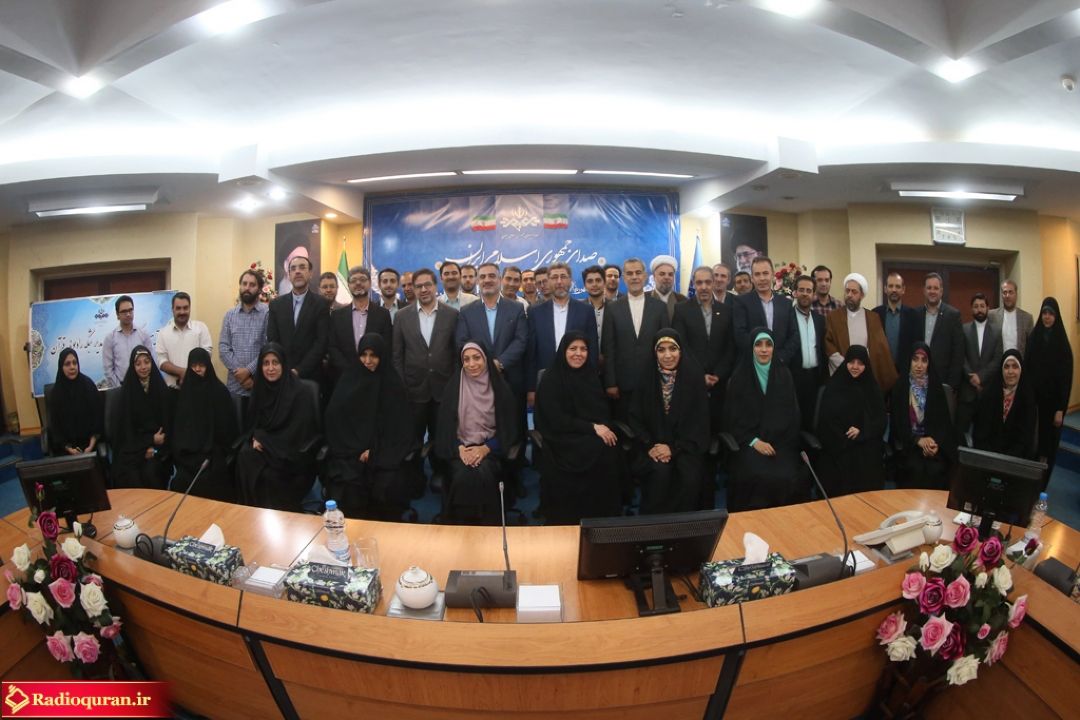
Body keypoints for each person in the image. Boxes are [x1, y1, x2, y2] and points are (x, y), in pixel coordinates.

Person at [323, 334, 415, 520]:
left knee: (386, 486)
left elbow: (398, 428)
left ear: (382, 356)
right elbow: (335, 419)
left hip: (382, 452)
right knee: (347, 484)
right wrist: (355, 449)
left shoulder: (392, 385)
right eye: (363, 355)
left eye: (373, 355)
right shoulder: (349, 379)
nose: (367, 361)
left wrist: (373, 450)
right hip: (350, 452)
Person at [534, 332, 621, 524]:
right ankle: (569, 517)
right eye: (573, 349)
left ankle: (601, 517)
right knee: (590, 447)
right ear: (563, 351)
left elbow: (602, 412)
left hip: (586, 432)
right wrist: (592, 427)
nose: (578, 353)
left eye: (583, 349)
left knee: (608, 446)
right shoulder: (551, 378)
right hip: (560, 437)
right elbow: (556, 419)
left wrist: (602, 427)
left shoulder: (591, 376)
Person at [435, 342, 521, 525]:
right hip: (459, 450)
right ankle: (460, 527)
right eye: (466, 359)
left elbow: (509, 429)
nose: (471, 364)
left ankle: (488, 527)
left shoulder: (500, 389)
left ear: (486, 359)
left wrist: (485, 449)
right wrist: (459, 448)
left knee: (483, 473)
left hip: (491, 449)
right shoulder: (453, 388)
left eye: (476, 358)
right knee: (462, 475)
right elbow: (444, 428)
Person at [393, 268, 459, 495]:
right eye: (418, 286)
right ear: (413, 288)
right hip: (413, 390)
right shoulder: (402, 316)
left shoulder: (452, 315)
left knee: (442, 437)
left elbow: (456, 353)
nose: (423, 289)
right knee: (413, 439)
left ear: (435, 285)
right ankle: (415, 477)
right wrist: (402, 387)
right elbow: (397, 356)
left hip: (444, 389)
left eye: (427, 285)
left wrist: (454, 386)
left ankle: (440, 476)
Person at [723, 328, 805, 511]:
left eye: (768, 345)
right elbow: (732, 419)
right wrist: (754, 441)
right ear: (751, 348)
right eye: (758, 345)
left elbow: (793, 415)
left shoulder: (784, 375)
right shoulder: (739, 378)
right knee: (757, 475)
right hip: (749, 443)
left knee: (789, 475)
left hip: (781, 444)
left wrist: (778, 441)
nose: (764, 349)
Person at [629, 330, 709, 514]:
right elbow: (635, 418)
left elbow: (699, 422)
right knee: (660, 473)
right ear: (654, 353)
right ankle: (654, 526)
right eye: (661, 350)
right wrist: (651, 445)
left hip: (685, 447)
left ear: (681, 351)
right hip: (652, 447)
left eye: (673, 349)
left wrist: (673, 448)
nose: (667, 355)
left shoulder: (694, 378)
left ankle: (686, 527)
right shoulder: (645, 377)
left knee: (688, 476)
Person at [235, 344, 320, 511]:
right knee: (244, 457)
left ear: (283, 364)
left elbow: (298, 432)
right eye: (266, 363)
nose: (270, 368)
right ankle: (248, 514)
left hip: (291, 453)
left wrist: (264, 440)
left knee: (269, 476)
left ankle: (279, 520)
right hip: (268, 447)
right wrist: (255, 436)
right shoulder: (260, 389)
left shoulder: (300, 391)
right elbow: (253, 424)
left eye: (275, 362)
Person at [601, 258, 667, 419]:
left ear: (645, 276)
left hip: (653, 382)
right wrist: (610, 383)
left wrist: (665, 379)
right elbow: (608, 348)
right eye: (630, 274)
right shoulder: (612, 308)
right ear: (624, 278)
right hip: (622, 385)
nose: (634, 277)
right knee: (624, 428)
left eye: (638, 273)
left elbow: (665, 346)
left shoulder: (659, 307)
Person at [171, 347, 239, 502]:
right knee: (181, 481)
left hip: (213, 454)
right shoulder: (185, 393)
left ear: (208, 366)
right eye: (193, 365)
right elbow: (179, 430)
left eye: (201, 365)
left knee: (212, 480)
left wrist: (213, 449)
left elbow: (228, 429)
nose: (197, 369)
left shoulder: (219, 391)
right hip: (188, 454)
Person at [673, 267, 735, 435]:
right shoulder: (681, 309)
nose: (704, 287)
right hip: (691, 382)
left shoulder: (727, 311)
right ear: (694, 284)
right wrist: (699, 375)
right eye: (699, 283)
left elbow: (730, 347)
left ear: (714, 283)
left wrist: (718, 374)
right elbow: (681, 346)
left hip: (719, 383)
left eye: (708, 282)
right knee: (695, 429)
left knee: (719, 428)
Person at [817, 345, 886, 496]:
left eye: (860, 363)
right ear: (846, 362)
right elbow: (826, 420)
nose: (855, 367)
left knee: (868, 461)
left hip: (865, 440)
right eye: (851, 362)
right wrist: (845, 437)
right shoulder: (834, 386)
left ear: (866, 365)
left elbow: (880, 420)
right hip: (839, 443)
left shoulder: (872, 387)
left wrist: (862, 431)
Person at [526, 262, 599, 405]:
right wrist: (531, 388)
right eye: (554, 277)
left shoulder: (586, 310)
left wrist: (590, 381)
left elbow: (592, 349)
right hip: (546, 381)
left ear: (570, 281)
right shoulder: (535, 312)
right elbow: (531, 353)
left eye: (563, 277)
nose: (559, 282)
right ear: (548, 281)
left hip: (579, 380)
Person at [889, 343, 958, 489]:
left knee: (936, 469)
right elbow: (897, 425)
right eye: (915, 359)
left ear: (929, 364)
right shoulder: (900, 387)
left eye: (924, 360)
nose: (919, 365)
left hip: (932, 442)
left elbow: (943, 424)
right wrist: (917, 440)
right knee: (914, 469)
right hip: (909, 444)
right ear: (909, 361)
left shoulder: (935, 388)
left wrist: (934, 444)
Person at [456, 263, 528, 400]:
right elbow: (462, 342)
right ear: (478, 281)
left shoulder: (517, 308)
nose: (487, 280)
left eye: (491, 276)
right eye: (483, 277)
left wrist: (499, 363)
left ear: (499, 279)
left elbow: (521, 340)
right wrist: (482, 363)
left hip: (511, 381)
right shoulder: (466, 312)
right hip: (478, 381)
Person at [823, 272, 898, 393]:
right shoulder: (834, 317)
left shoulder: (873, 317)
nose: (849, 295)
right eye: (847, 291)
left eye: (854, 292)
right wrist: (845, 364)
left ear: (862, 295)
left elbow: (879, 347)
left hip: (865, 373)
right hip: (842, 373)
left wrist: (863, 364)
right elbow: (828, 343)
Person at [1025, 297, 1074, 478]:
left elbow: (1066, 379)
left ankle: (1042, 483)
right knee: (1032, 443)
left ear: (1056, 316)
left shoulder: (1062, 343)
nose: (1047, 317)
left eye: (1051, 314)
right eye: (1044, 313)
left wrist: (1061, 409)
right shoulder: (1033, 338)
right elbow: (1027, 370)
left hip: (1053, 406)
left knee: (1048, 446)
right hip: (1034, 403)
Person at [111, 346, 172, 489]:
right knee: (132, 477)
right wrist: (147, 444)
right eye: (138, 364)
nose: (143, 367)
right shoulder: (127, 393)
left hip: (158, 449)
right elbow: (125, 433)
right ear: (133, 367)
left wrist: (155, 447)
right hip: (133, 451)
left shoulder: (161, 389)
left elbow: (168, 426)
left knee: (152, 472)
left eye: (147, 362)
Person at [266, 254, 330, 381]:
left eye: (302, 267)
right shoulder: (276, 305)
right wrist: (284, 368)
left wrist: (299, 370)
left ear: (310, 273)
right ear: (289, 275)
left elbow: (321, 342)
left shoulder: (321, 304)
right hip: (282, 374)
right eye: (293, 268)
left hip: (311, 376)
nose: (298, 271)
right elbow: (273, 339)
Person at [219, 268, 269, 427]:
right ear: (240, 286)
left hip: (258, 385)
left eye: (252, 285)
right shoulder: (230, 315)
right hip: (235, 386)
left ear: (259, 289)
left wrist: (249, 372)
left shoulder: (268, 313)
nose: (247, 288)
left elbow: (268, 348)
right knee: (235, 430)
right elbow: (223, 348)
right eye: (244, 284)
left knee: (258, 430)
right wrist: (240, 374)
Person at [733, 256, 798, 366]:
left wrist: (781, 357)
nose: (762, 278)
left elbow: (794, 335)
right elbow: (740, 335)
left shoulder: (786, 303)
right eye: (757, 274)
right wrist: (761, 356)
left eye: (765, 273)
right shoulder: (741, 302)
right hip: (752, 364)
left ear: (772, 275)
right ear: (752, 278)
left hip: (780, 364)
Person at [328, 266, 393, 376]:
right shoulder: (337, 316)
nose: (358, 283)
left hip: (375, 375)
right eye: (353, 280)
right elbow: (333, 347)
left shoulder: (383, 314)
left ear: (370, 283)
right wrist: (349, 370)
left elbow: (387, 347)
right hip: (344, 376)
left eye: (362, 279)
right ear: (348, 285)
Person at [972, 350, 1037, 460]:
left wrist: (1007, 460)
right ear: (1001, 370)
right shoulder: (989, 395)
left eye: (1015, 367)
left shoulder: (1028, 399)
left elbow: (1025, 439)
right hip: (987, 457)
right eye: (1006, 367)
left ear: (1021, 370)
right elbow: (980, 432)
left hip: (1015, 460)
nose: (1010, 371)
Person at [958, 293, 1003, 437]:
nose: (979, 310)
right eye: (976, 306)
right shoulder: (964, 329)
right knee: (961, 434)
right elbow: (960, 356)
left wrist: (980, 377)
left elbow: (997, 359)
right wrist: (971, 376)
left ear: (988, 308)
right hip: (967, 392)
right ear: (972, 309)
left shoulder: (997, 331)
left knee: (984, 435)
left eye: (982, 306)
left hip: (987, 391)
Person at [47, 348, 102, 457]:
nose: (72, 367)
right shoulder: (56, 393)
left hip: (90, 447)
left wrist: (90, 446)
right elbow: (56, 427)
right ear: (61, 367)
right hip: (65, 450)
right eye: (67, 364)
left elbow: (98, 420)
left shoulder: (88, 386)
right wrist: (69, 449)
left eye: (74, 363)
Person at [790, 275, 827, 432]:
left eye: (808, 290)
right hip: (793, 378)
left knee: (813, 419)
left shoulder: (820, 320)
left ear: (814, 294)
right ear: (795, 293)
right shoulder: (787, 317)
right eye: (801, 290)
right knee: (794, 419)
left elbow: (822, 350)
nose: (805, 294)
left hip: (815, 378)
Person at [916, 273, 964, 392]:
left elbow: (958, 353)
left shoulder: (953, 315)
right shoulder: (915, 314)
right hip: (918, 378)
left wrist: (952, 385)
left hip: (943, 381)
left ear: (941, 291)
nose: (932, 291)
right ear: (924, 290)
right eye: (929, 288)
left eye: (935, 288)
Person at [155, 292, 212, 388]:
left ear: (190, 308)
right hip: (172, 390)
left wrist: (190, 375)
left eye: (185, 308)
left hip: (198, 388)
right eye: (178, 308)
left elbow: (207, 355)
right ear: (172, 309)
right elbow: (161, 362)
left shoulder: (201, 328)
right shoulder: (163, 333)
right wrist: (182, 372)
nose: (182, 312)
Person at [872, 271, 920, 374]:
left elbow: (916, 346)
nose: (894, 289)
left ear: (903, 290)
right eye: (891, 286)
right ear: (885, 289)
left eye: (898, 286)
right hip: (881, 373)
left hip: (905, 373)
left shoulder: (913, 316)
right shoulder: (875, 314)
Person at [102, 295, 152, 388]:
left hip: (143, 387)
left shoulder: (144, 335)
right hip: (120, 387)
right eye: (124, 311)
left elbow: (151, 361)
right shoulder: (110, 338)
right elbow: (108, 369)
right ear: (117, 315)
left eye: (130, 310)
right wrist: (120, 388)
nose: (128, 314)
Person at [989, 280, 1033, 355]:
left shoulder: (1027, 318)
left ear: (1016, 294)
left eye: (1010, 292)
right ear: (1001, 295)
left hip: (1019, 361)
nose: (1007, 296)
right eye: (1005, 292)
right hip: (999, 361)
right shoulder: (992, 315)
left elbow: (1031, 346)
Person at [649, 254, 687, 322]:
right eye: (662, 274)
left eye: (670, 274)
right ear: (654, 277)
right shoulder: (645, 299)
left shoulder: (683, 300)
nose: (667, 277)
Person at [581, 264, 607, 347]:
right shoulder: (578, 309)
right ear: (585, 286)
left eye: (598, 280)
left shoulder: (615, 308)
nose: (594, 284)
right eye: (590, 281)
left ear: (604, 283)